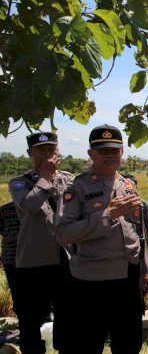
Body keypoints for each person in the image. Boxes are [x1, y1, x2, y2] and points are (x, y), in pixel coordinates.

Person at [55, 124, 148, 354]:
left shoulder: (128, 184)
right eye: (103, 151)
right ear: (91, 154)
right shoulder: (76, 188)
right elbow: (63, 233)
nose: (109, 155)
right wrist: (106, 216)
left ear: (122, 152)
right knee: (89, 344)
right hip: (92, 280)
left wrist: (146, 268)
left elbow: (139, 231)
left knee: (128, 344)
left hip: (128, 279)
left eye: (114, 150)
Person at [8, 132, 74, 354]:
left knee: (68, 314)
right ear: (30, 153)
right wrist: (45, 178)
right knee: (31, 318)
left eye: (51, 149)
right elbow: (30, 205)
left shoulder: (69, 180)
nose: (47, 154)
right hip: (33, 261)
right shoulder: (19, 183)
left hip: (65, 259)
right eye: (41, 150)